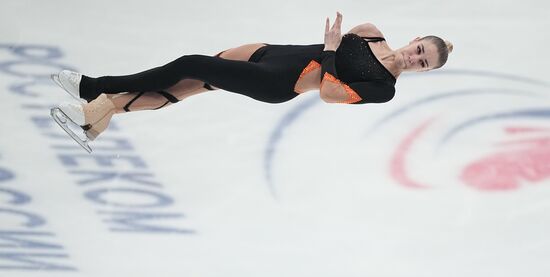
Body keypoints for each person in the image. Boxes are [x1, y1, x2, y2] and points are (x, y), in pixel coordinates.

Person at [50, 12, 453, 150]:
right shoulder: (370, 31)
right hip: (273, 53)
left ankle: (94, 90)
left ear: (425, 72)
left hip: (277, 84)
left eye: (423, 64)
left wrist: (331, 50)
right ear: (416, 39)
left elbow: (330, 94)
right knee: (191, 83)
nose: (414, 59)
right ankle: (98, 117)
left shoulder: (383, 89)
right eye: (421, 51)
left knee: (192, 65)